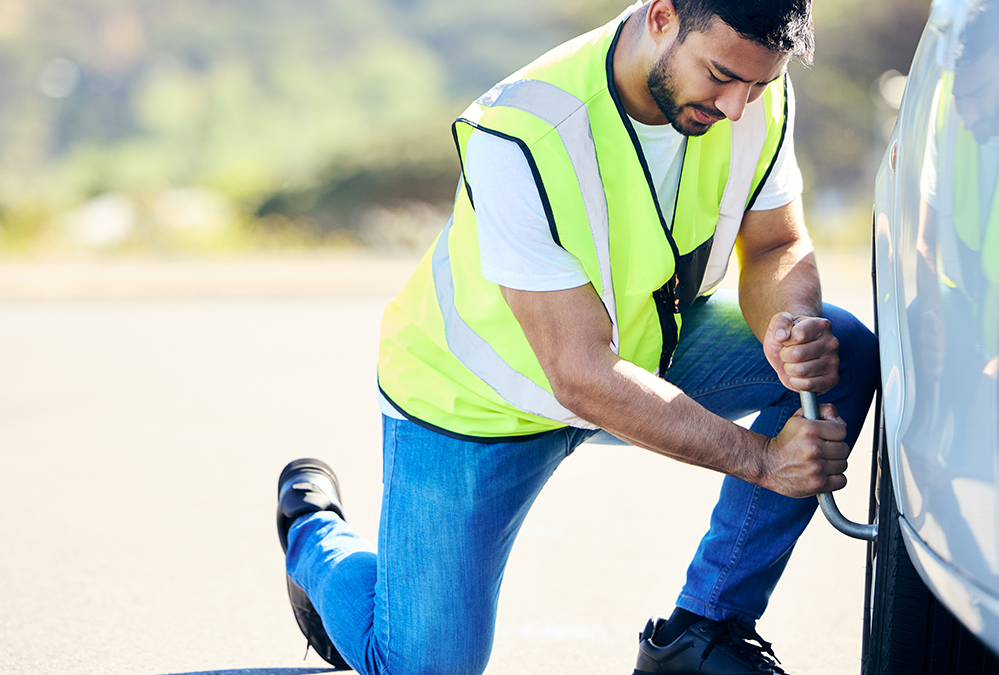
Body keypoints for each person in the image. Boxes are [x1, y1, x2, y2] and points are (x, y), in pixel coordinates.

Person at [275, 0, 877, 673]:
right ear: (661, 17)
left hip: (639, 353)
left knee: (840, 349)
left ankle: (703, 631)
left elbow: (774, 245)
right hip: (477, 403)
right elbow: (580, 375)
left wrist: (788, 327)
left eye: (758, 85)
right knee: (420, 666)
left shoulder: (750, 85)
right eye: (720, 76)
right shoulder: (521, 131)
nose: (738, 106)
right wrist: (765, 461)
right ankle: (314, 536)